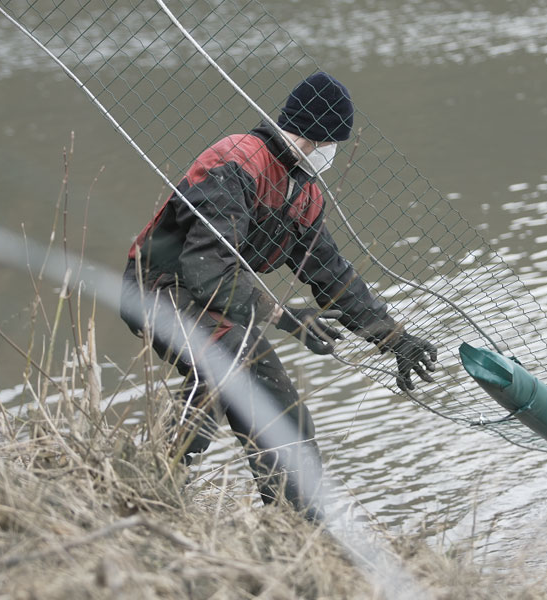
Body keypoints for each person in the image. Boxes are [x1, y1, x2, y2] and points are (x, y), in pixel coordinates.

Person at [120, 72, 437, 519]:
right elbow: (205, 269)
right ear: (316, 138)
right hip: (158, 288)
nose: (332, 155)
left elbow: (331, 275)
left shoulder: (303, 194)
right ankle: (150, 489)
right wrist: (287, 318)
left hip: (217, 300)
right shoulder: (236, 163)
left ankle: (297, 527)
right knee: (225, 365)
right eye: (332, 146)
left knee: (281, 406)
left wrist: (393, 339)